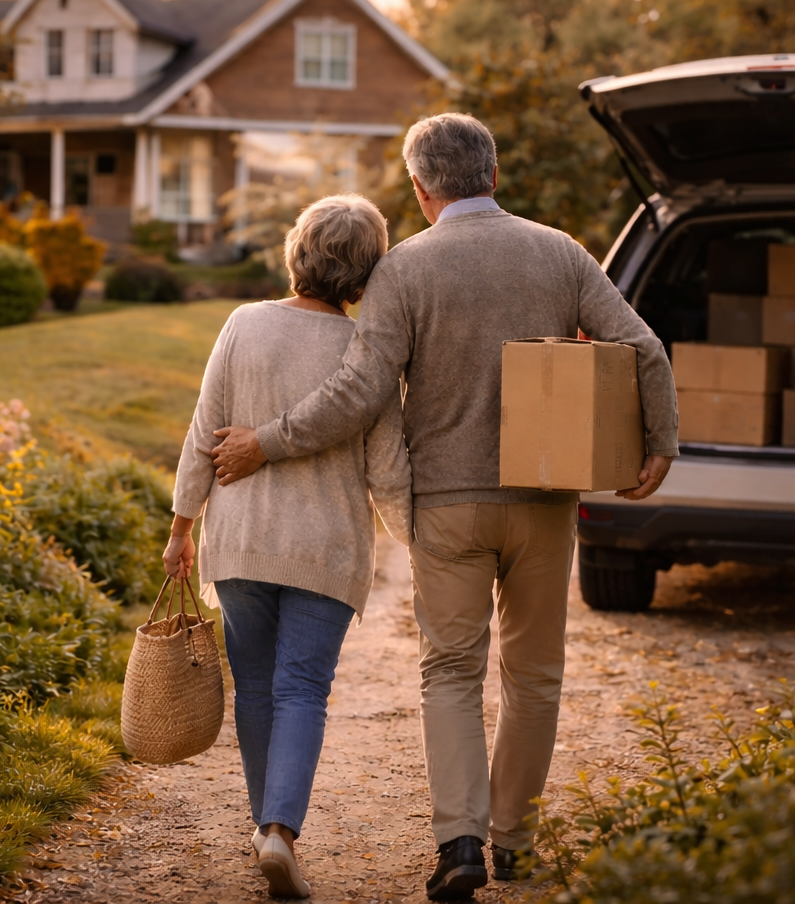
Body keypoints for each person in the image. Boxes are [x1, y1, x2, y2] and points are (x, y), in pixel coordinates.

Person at [209, 113, 679, 900]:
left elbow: (360, 395)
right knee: (534, 675)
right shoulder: (559, 253)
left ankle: (458, 844)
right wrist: (657, 440)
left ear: (423, 190)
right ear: (492, 176)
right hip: (542, 503)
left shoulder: (404, 270)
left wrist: (267, 441)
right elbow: (645, 349)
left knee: (451, 673)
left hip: (447, 510)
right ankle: (517, 841)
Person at [163, 193, 414, 900]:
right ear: (367, 273)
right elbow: (390, 471)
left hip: (240, 542)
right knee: (303, 688)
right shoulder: (369, 353)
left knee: (258, 692)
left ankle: (262, 828)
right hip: (325, 551)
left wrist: (182, 527)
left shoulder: (243, 324)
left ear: (297, 251)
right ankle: (280, 831)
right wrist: (427, 550)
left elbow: (202, 433)